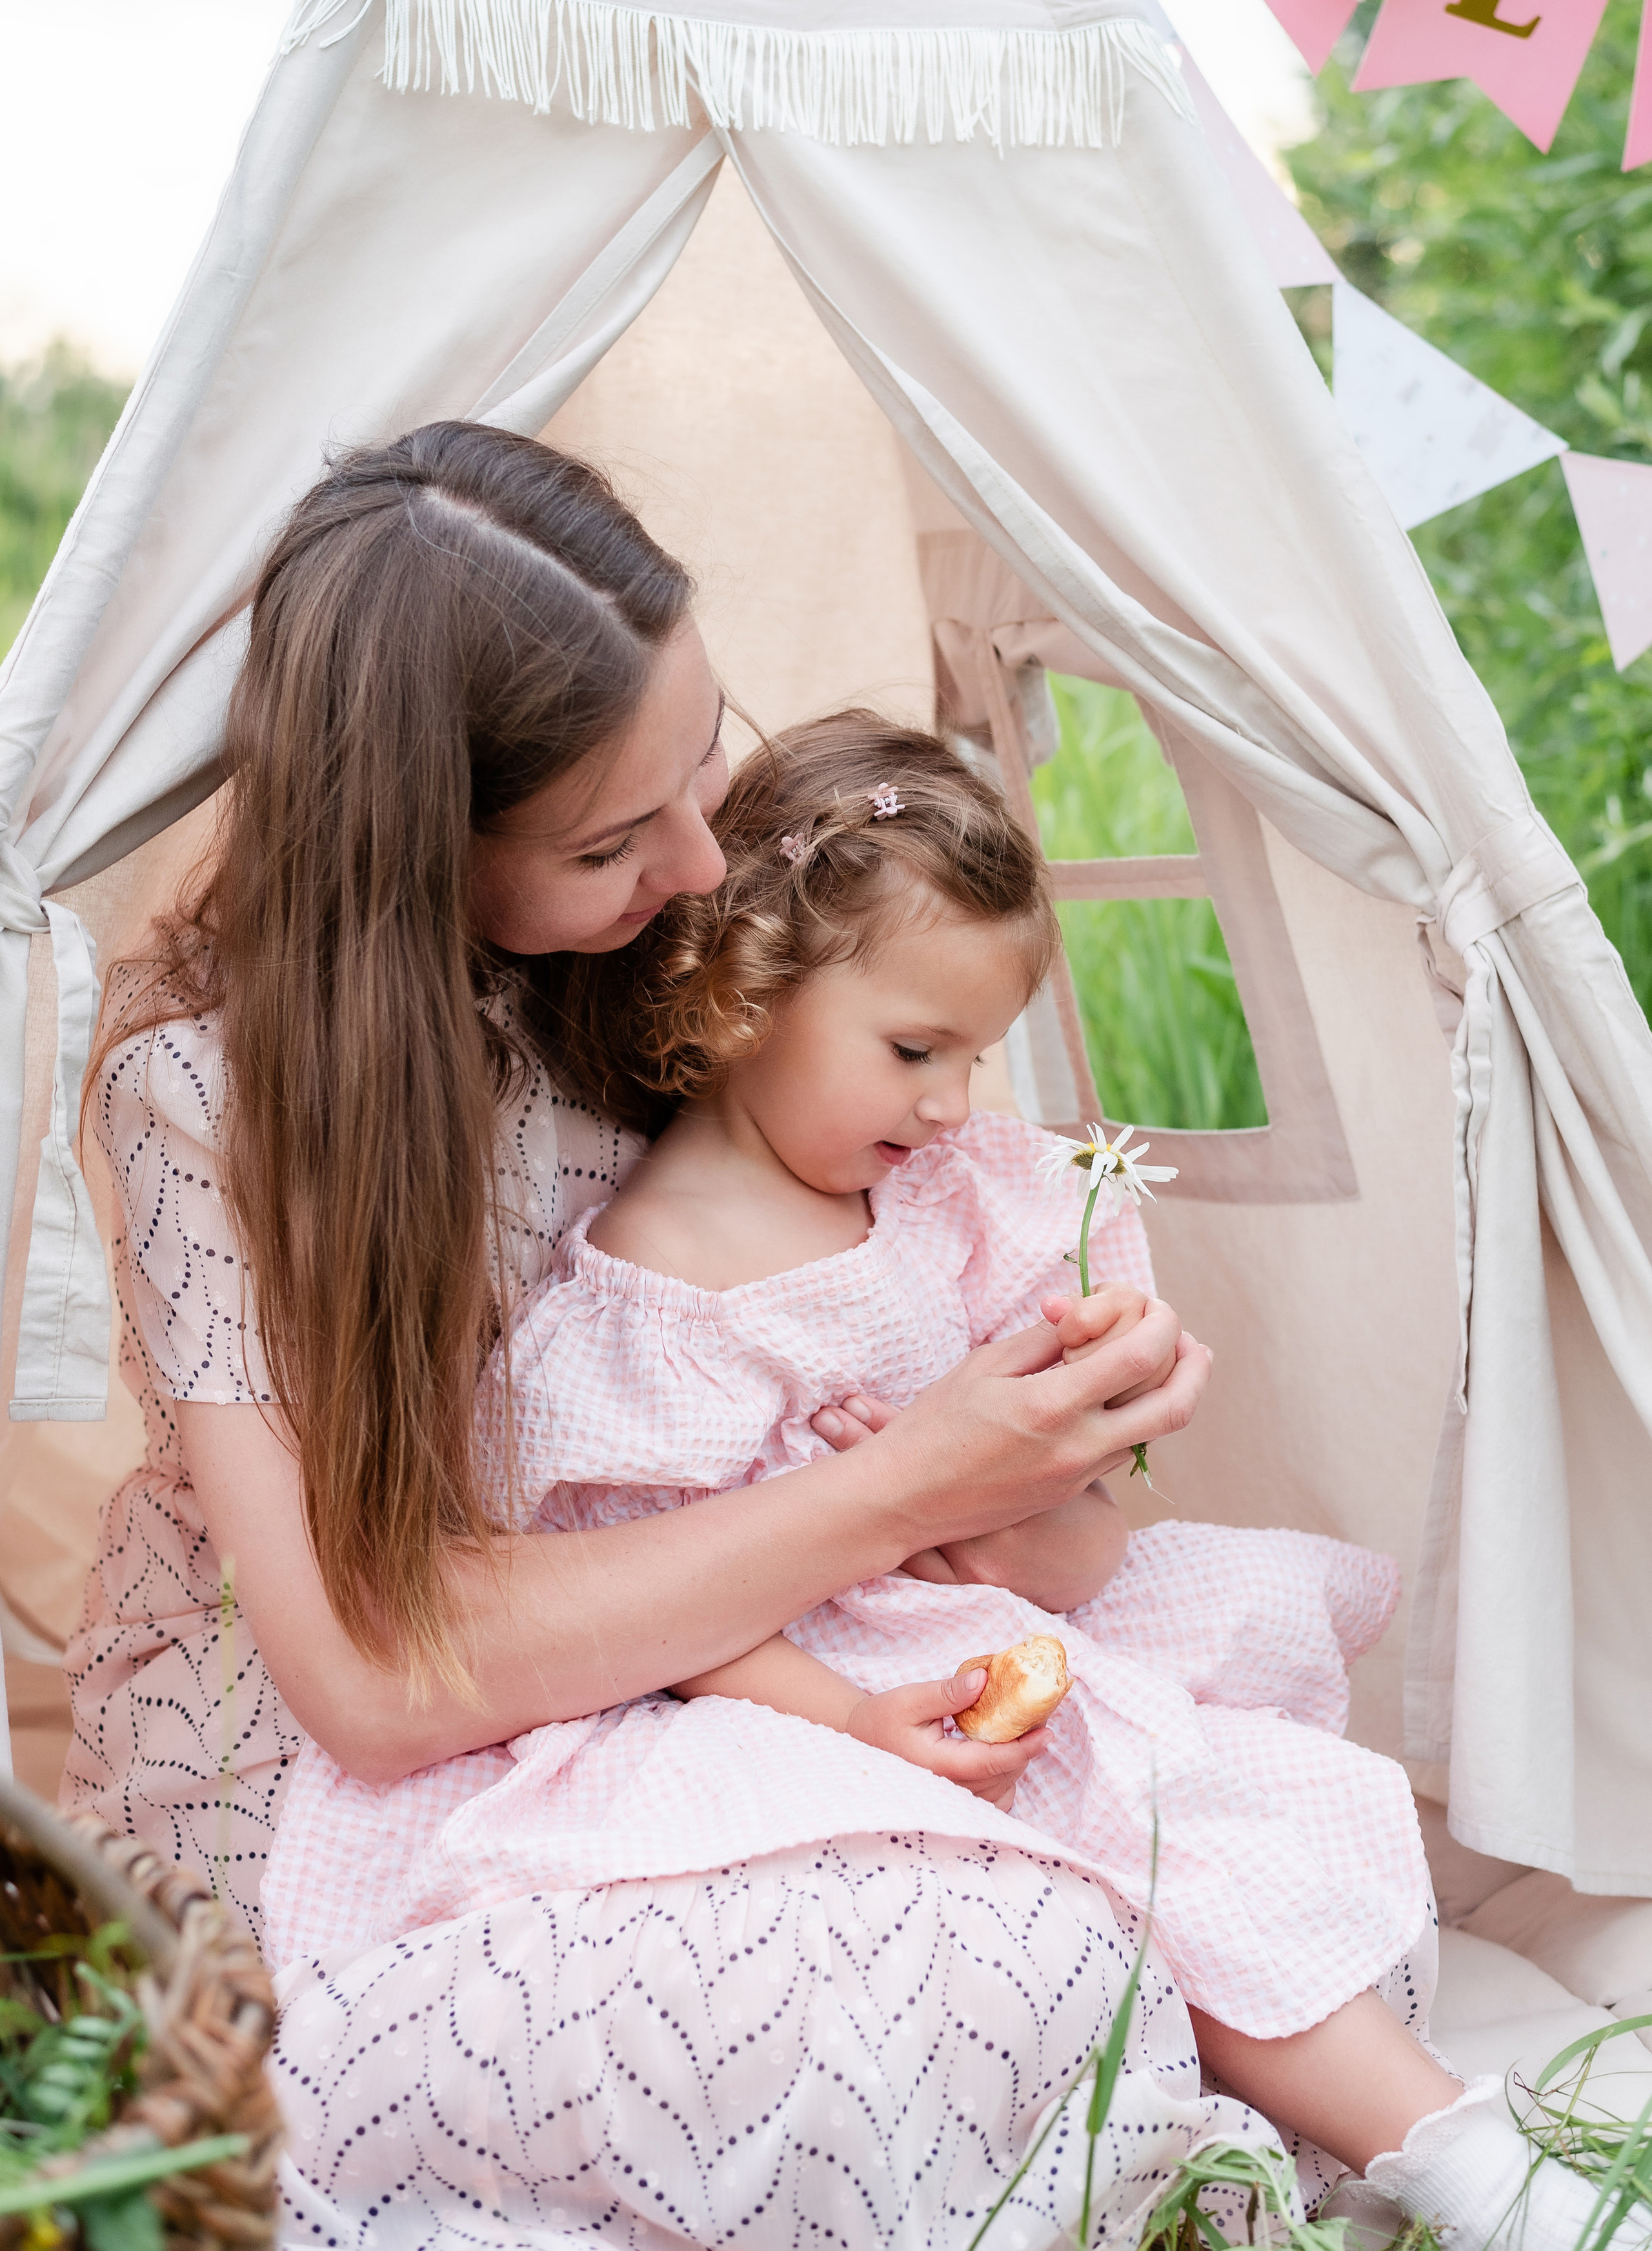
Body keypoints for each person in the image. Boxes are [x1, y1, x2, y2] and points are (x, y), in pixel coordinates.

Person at [66, 422, 1252, 2251]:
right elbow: (379, 1683)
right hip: (360, 1777)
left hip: (723, 1672)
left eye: (706, 749)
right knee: (959, 1990)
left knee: (1161, 1872)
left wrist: (1052, 1420)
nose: (707, 857)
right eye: (617, 835)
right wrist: (909, 1481)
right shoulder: (207, 1098)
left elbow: (900, 1250)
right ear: (417, 854)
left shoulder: (684, 954)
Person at [262, 698, 1634, 2249]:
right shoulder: (649, 1293)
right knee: (1111, 1809)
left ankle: (1429, 2135)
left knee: (1191, 1782)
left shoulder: (955, 1202)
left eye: (973, 1056)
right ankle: (1448, 2153)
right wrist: (851, 1707)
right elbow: (648, 1609)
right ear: (740, 988)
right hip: (775, 1688)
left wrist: (1033, 1481)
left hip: (990, 1612)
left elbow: (1077, 1541)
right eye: (914, 1051)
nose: (947, 1104)